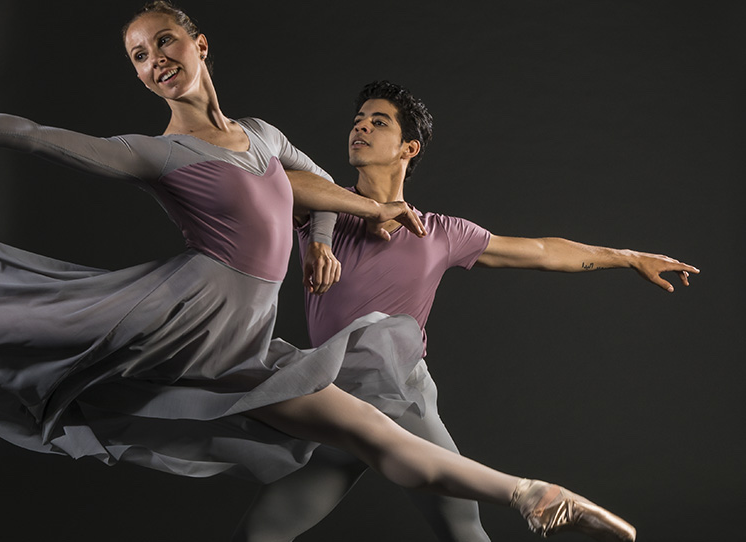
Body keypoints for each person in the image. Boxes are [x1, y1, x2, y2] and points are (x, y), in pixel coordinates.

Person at [0, 2, 636, 540]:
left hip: (249, 342)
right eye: (138, 57)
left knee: (375, 433)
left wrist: (323, 229)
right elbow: (34, 134)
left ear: (198, 43)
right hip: (183, 313)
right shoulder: (157, 153)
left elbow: (315, 183)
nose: (154, 61)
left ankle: (529, 492)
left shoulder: (263, 134)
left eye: (164, 42)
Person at [233, 80, 696, 541]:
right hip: (334, 401)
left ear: (408, 148)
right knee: (261, 534)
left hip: (402, 399)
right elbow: (261, 179)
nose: (361, 129)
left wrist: (630, 256)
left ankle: (542, 499)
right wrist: (358, 214)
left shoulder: (439, 233)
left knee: (463, 533)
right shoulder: (322, 212)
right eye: (357, 122)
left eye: (378, 123)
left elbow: (539, 251)